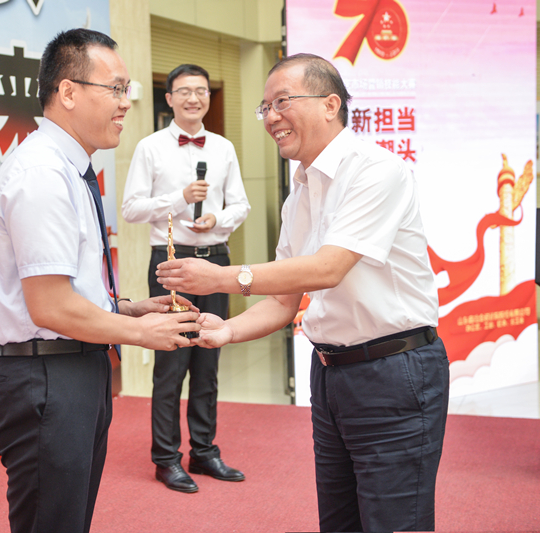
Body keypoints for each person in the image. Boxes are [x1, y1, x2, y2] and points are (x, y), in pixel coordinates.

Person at [156, 53, 449, 532]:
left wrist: (221, 278)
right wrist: (225, 330)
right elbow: (283, 300)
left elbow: (328, 268)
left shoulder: (376, 169)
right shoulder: (299, 194)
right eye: (265, 107)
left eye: (282, 102)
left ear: (331, 104)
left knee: (395, 521)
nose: (271, 117)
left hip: (394, 372)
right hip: (331, 373)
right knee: (339, 521)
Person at [0, 29, 199, 533]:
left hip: (72, 369)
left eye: (127, 90)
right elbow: (51, 307)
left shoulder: (70, 168)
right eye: (116, 89)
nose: (125, 104)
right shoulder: (42, 174)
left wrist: (126, 309)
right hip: (47, 377)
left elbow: (67, 289)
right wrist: (142, 333)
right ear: (68, 92)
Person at [122, 64, 250, 493]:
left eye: (201, 91)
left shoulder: (224, 148)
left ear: (208, 97)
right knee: (171, 362)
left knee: (208, 360)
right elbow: (131, 209)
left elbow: (241, 205)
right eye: (184, 91)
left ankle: (204, 451)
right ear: (169, 98)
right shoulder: (150, 147)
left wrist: (218, 218)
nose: (193, 98)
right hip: (172, 262)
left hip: (216, 261)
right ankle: (166, 458)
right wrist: (179, 199)